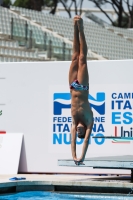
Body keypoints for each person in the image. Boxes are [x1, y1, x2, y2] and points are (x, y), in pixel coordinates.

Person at [69, 16, 93, 165]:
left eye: (77, 133)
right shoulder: (89, 121)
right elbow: (85, 142)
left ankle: (74, 28)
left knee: (74, 58)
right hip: (83, 87)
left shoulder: (73, 122)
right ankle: (81, 29)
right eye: (80, 133)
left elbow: (72, 142)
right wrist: (81, 156)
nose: (78, 132)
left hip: (72, 86)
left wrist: (73, 156)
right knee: (82, 58)